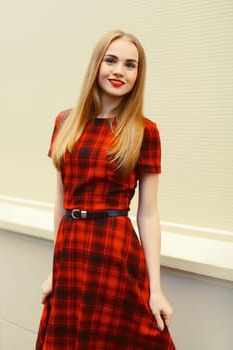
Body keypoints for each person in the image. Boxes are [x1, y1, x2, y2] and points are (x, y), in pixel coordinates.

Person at [36, 30, 176, 349]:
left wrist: (155, 289)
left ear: (138, 75)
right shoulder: (65, 122)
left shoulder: (144, 131)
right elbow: (61, 199)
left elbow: (149, 214)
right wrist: (54, 271)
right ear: (96, 64)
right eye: (111, 60)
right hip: (71, 251)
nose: (119, 71)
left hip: (115, 249)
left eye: (130, 65)